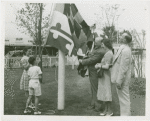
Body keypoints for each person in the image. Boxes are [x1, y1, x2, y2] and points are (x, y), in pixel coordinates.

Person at [79, 37, 106, 110]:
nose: (95, 44)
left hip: (95, 71)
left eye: (97, 43)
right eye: (95, 42)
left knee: (95, 89)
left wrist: (83, 61)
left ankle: (98, 106)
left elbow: (93, 60)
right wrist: (87, 56)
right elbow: (91, 56)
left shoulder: (101, 51)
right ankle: (93, 104)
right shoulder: (97, 49)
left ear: (101, 43)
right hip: (92, 71)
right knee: (93, 88)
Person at [111, 31, 132, 116]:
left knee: (124, 100)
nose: (120, 37)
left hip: (122, 80)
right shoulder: (123, 48)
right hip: (120, 78)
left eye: (122, 37)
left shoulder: (126, 50)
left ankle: (126, 117)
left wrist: (119, 81)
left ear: (126, 40)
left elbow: (123, 68)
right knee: (122, 100)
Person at [95, 39, 113, 116]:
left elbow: (107, 66)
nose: (102, 46)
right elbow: (105, 63)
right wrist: (99, 63)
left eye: (103, 44)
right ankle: (106, 110)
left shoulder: (109, 53)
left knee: (107, 92)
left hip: (106, 76)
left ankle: (110, 111)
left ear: (106, 45)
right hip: (104, 75)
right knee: (104, 92)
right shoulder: (107, 53)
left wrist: (99, 66)